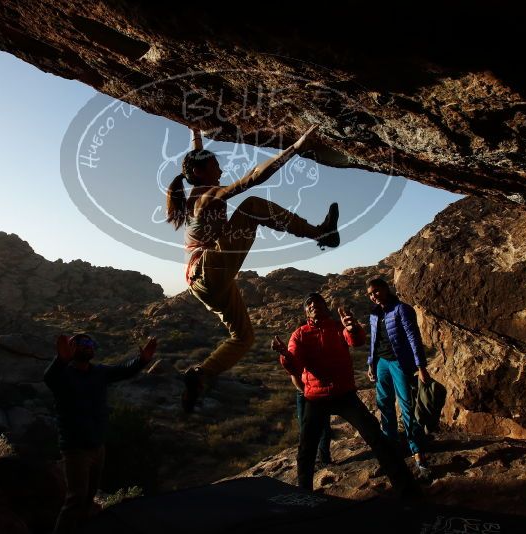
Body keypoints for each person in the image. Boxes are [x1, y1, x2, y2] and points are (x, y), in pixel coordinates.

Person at [167, 125, 341, 412]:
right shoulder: (206, 199)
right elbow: (251, 179)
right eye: (216, 166)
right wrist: (295, 148)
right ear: (200, 172)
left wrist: (194, 130)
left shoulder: (196, 188)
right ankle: (319, 234)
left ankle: (201, 374)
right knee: (252, 205)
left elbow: (194, 157)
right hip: (208, 270)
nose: (221, 172)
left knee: (244, 338)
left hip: (206, 283)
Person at [272, 292, 418, 496]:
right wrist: (285, 355)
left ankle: (407, 488)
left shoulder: (337, 327)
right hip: (315, 398)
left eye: (317, 301)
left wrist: (353, 328)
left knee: (375, 436)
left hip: (344, 394)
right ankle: (303, 496)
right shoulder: (300, 334)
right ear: (306, 311)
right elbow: (295, 364)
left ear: (325, 306)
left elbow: (356, 341)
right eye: (309, 303)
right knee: (306, 449)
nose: (313, 304)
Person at [44, 333, 157, 534]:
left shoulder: (99, 372)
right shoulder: (64, 375)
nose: (89, 346)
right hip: (76, 448)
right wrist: (60, 360)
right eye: (83, 343)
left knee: (89, 498)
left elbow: (123, 370)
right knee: (75, 499)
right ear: (72, 347)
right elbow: (49, 378)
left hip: (98, 446)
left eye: (91, 343)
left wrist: (142, 360)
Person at [365, 278, 431, 478]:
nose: (373, 295)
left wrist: (421, 366)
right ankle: (392, 452)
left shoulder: (402, 309)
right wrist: (371, 363)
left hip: (399, 363)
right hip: (381, 363)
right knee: (384, 405)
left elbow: (413, 337)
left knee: (407, 406)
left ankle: (419, 455)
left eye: (376, 291)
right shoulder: (374, 314)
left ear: (385, 289)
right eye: (370, 293)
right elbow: (374, 341)